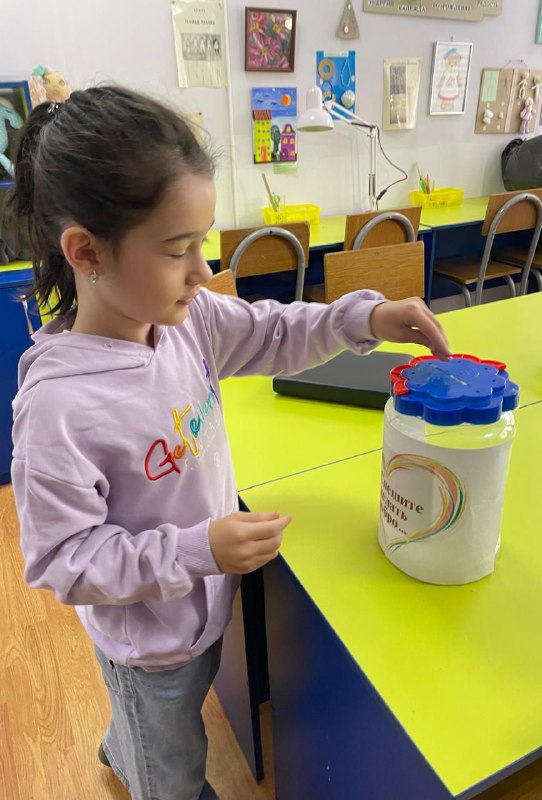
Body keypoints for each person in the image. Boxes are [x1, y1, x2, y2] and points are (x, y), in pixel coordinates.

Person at [7, 86, 451, 800]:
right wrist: (198, 550)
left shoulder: (187, 320)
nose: (202, 271)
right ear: (87, 252)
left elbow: (273, 331)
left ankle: (128, 745)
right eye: (177, 250)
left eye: (202, 243)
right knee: (174, 768)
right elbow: (63, 559)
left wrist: (363, 319)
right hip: (150, 646)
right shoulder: (60, 407)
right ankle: (148, 766)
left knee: (165, 727)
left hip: (203, 602)